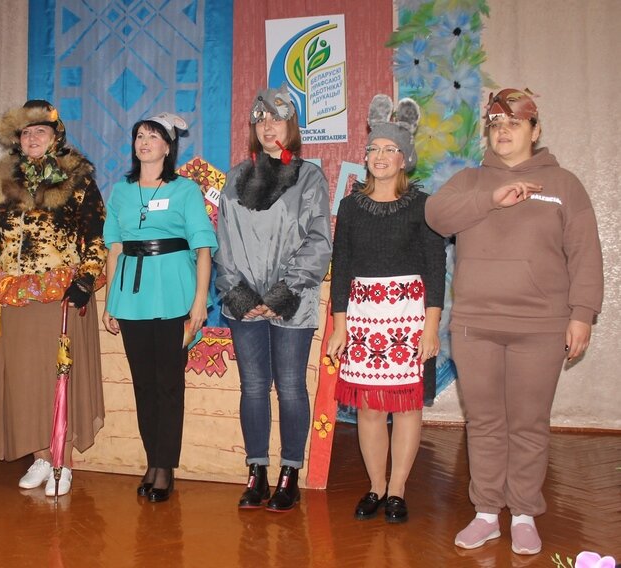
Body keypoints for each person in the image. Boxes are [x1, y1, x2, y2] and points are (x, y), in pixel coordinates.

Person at [425, 88, 603, 555]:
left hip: (541, 326)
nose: (503, 131)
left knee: (528, 424)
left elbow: (585, 254)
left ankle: (523, 513)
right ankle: (486, 513)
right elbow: (436, 216)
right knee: (483, 422)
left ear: (535, 130)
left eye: (515, 123)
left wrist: (582, 315)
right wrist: (491, 199)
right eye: (496, 124)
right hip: (476, 325)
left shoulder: (563, 184)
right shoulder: (469, 181)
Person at [326, 95, 446, 524]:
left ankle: (397, 490)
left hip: (409, 319)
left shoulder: (423, 205)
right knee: (370, 409)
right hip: (363, 318)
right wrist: (340, 326)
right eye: (373, 148)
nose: (379, 156)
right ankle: (376, 486)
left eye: (390, 148)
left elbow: (435, 267)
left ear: (404, 157)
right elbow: (342, 267)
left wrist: (431, 328)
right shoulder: (350, 206)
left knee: (408, 408)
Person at [0, 100, 106, 497]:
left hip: (59, 292)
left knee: (57, 376)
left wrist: (85, 279)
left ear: (55, 137)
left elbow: (96, 234)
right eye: (26, 132)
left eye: (40, 131)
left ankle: (61, 460)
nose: (32, 138)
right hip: (12, 293)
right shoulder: (2, 178)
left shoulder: (77, 178)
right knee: (23, 379)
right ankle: (39, 456)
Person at [215, 85, 332, 512]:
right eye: (261, 119)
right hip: (244, 302)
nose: (268, 126)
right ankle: (257, 472)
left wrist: (282, 293)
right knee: (252, 387)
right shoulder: (235, 178)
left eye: (277, 119)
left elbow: (319, 241)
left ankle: (290, 474)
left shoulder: (310, 177)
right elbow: (223, 243)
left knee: (290, 386)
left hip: (291, 301)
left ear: (291, 126)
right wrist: (240, 293)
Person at [101, 112, 217, 503]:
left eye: (153, 136)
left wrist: (199, 302)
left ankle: (165, 466)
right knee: (143, 384)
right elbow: (114, 248)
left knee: (168, 384)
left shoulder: (185, 190)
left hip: (174, 293)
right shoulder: (120, 191)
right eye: (139, 135)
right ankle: (152, 460)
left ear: (168, 147)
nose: (145, 142)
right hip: (131, 296)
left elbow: (204, 248)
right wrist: (110, 303)